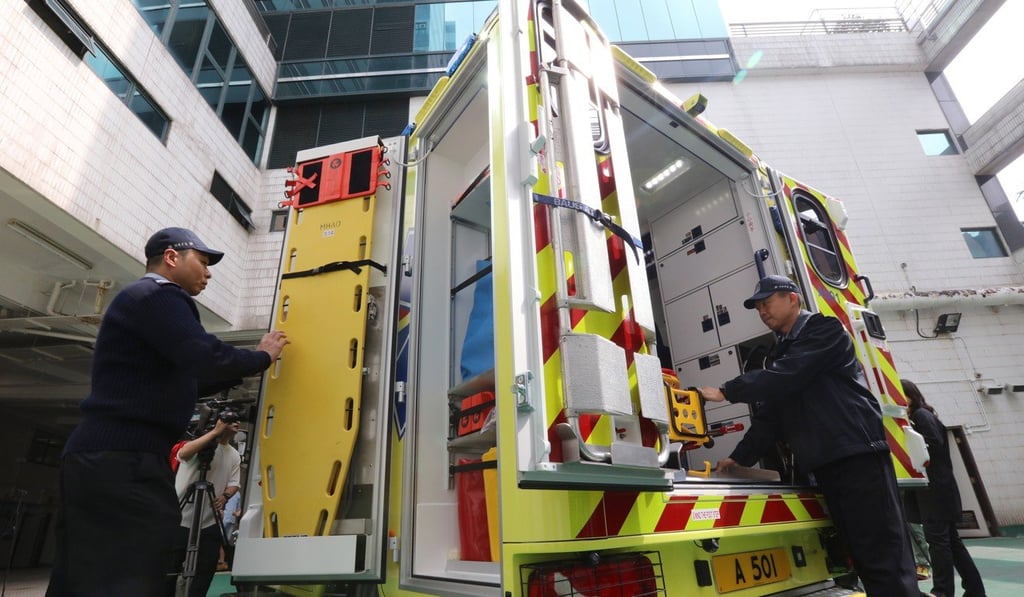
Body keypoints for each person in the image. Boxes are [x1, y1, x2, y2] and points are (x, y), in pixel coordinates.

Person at [46, 227, 289, 597]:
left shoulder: (139, 301)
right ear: (172, 257)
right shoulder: (158, 295)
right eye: (203, 263)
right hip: (123, 459)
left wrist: (235, 376)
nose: (208, 273)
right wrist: (261, 356)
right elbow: (203, 355)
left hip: (104, 455)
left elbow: (182, 380)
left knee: (85, 571)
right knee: (132, 566)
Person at [698, 274, 920, 596]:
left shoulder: (824, 330)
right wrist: (739, 457)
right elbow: (770, 417)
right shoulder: (780, 355)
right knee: (862, 555)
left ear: (793, 299)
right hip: (826, 463)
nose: (762, 311)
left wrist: (726, 391)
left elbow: (788, 375)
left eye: (767, 302)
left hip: (857, 455)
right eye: (758, 306)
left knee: (884, 556)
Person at [901, 379, 987, 597]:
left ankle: (942, 591)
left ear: (910, 395)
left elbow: (932, 447)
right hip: (940, 490)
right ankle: (975, 590)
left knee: (939, 543)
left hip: (934, 491)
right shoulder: (923, 416)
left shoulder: (920, 417)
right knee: (952, 543)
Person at [166, 412, 242, 597]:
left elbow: (234, 484)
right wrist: (215, 432)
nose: (236, 422)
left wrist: (224, 496)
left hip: (209, 520)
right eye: (231, 420)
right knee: (169, 569)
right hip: (181, 517)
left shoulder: (233, 454)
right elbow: (183, 453)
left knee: (206, 568)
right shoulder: (200, 444)